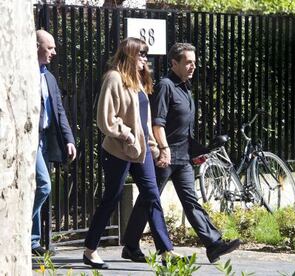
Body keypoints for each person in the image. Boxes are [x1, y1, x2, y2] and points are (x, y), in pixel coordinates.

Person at [134, 42, 240, 263]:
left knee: (190, 201)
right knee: (149, 200)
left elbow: (184, 128)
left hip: (183, 157)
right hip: (165, 156)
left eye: (194, 62)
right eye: (188, 62)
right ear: (175, 63)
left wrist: (197, 150)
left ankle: (213, 244)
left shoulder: (185, 88)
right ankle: (131, 244)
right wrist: (162, 150)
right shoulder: (165, 86)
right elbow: (157, 123)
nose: (193, 66)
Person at [83, 38, 184, 269]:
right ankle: (90, 250)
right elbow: (105, 119)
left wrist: (154, 147)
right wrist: (127, 135)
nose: (145, 59)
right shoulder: (114, 78)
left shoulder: (137, 81)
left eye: (146, 54)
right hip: (118, 150)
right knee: (111, 198)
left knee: (151, 195)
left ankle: (166, 251)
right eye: (142, 54)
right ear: (129, 55)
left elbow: (143, 121)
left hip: (142, 151)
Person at [33, 30, 77, 256]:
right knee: (44, 185)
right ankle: (30, 238)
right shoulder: (25, 73)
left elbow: (59, 110)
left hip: (46, 139)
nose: (54, 52)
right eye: (49, 48)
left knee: (38, 187)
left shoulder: (48, 76)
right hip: (30, 140)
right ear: (36, 46)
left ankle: (31, 240)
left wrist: (69, 139)